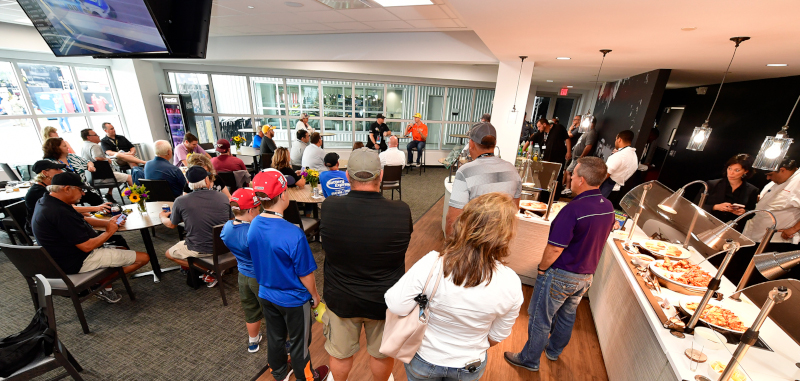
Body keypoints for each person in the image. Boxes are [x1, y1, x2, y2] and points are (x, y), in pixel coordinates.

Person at [385, 193, 523, 381]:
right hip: (470, 364)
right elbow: (497, 336)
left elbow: (396, 305)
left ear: (463, 223)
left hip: (424, 359)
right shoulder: (511, 282)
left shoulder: (432, 264)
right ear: (506, 235)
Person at [505, 157, 615, 373]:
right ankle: (553, 351)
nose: (571, 178)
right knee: (567, 316)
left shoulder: (573, 209)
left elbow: (555, 248)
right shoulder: (608, 206)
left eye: (573, 175)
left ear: (581, 180)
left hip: (562, 274)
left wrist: (542, 269)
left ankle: (529, 359)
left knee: (540, 317)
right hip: (585, 276)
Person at [321, 147, 412, 381]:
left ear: (347, 176)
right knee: (381, 354)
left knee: (340, 355)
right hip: (384, 300)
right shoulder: (401, 210)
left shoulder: (330, 207)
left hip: (341, 299)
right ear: (380, 176)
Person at [247, 169, 329, 381]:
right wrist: (315, 296)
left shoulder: (253, 223)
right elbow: (305, 274)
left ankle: (279, 372)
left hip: (266, 293)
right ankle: (306, 378)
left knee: (275, 337)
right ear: (284, 195)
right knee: (299, 342)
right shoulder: (293, 233)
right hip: (293, 300)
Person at [31, 172, 150, 303]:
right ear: (66, 189)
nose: (83, 194)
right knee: (143, 258)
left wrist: (109, 223)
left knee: (122, 247)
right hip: (77, 261)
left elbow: (84, 219)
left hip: (61, 257)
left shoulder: (48, 201)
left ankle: (102, 280)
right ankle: (98, 283)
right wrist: (109, 231)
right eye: (80, 190)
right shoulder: (59, 213)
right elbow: (87, 247)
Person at [160, 166, 233, 287]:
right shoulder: (223, 197)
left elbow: (171, 225)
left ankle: (210, 269)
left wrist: (162, 217)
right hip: (225, 244)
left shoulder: (181, 201)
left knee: (168, 253)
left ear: (188, 183)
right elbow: (231, 220)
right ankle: (214, 268)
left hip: (200, 248)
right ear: (206, 180)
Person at [446, 122, 522, 236]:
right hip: (501, 241)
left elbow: (452, 219)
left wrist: (450, 247)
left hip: (473, 242)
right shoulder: (512, 170)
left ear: (471, 143)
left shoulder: (466, 171)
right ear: (495, 143)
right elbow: (514, 210)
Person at [733, 158, 800, 285]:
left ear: (782, 170)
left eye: (770, 174)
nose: (768, 178)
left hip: (774, 242)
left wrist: (794, 229)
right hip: (754, 237)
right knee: (739, 275)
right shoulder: (777, 181)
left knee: (753, 280)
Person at [220, 188, 265, 353]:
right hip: (260, 278)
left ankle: (253, 341)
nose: (259, 211)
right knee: (271, 310)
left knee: (250, 308)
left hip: (242, 275)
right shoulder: (254, 232)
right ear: (251, 210)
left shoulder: (226, 228)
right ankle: (282, 341)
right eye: (258, 208)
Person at [24, 160, 110, 234]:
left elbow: (70, 208)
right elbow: (67, 209)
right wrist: (96, 208)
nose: (61, 171)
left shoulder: (49, 189)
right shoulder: (39, 192)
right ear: (45, 173)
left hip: (56, 221)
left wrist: (90, 215)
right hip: (47, 228)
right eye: (57, 169)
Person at [42, 137, 105, 206]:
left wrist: (90, 166)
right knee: (72, 210)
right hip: (67, 191)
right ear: (56, 148)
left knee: (99, 202)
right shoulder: (50, 163)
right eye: (64, 146)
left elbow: (88, 162)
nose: (67, 147)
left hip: (83, 187)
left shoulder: (72, 157)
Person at [701, 154, 759, 226]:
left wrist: (743, 212)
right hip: (705, 223)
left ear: (746, 171)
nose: (731, 173)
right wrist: (715, 207)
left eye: (737, 170)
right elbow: (695, 205)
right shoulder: (712, 184)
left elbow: (751, 213)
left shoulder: (752, 190)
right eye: (729, 168)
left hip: (731, 228)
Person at [80, 128, 132, 200]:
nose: (98, 136)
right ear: (89, 137)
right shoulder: (95, 146)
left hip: (91, 177)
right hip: (102, 176)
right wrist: (107, 159)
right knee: (130, 178)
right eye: (95, 135)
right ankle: (135, 198)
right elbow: (97, 158)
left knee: (114, 173)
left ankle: (109, 194)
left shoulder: (84, 146)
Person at [562, 116, 597, 197]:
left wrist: (581, 156)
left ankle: (569, 190)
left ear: (591, 122)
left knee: (571, 172)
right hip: (575, 156)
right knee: (568, 171)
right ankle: (568, 188)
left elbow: (588, 146)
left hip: (579, 157)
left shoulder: (592, 133)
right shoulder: (586, 131)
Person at [600, 130, 638, 198]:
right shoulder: (634, 156)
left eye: (616, 139)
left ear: (619, 139)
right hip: (616, 191)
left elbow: (605, 175)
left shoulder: (619, 156)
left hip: (606, 188)